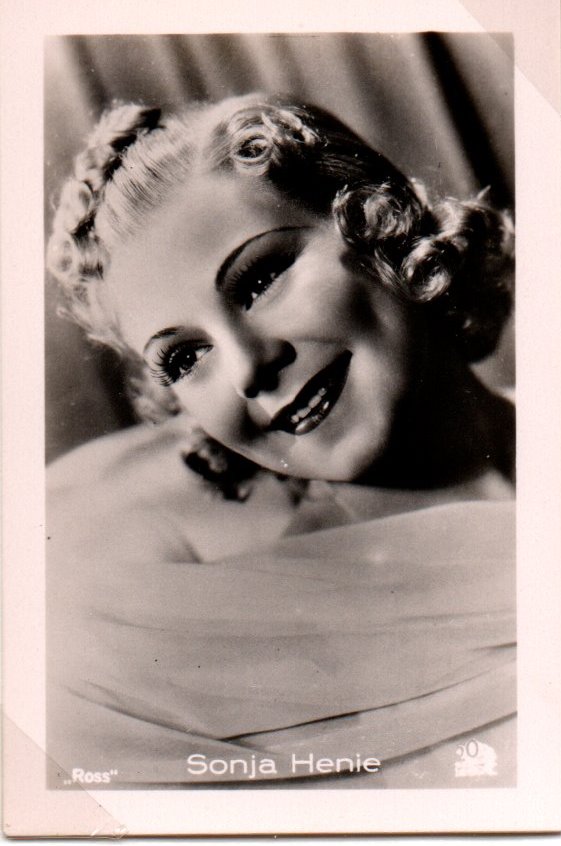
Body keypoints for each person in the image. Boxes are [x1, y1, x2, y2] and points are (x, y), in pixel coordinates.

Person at [46, 93, 516, 788]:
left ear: (375, 222)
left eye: (260, 279)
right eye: (185, 357)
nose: (246, 368)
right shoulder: (256, 647)